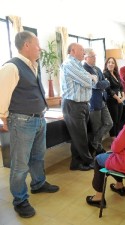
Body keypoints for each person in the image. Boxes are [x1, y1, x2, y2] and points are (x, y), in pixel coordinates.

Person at [0, 31, 59, 218]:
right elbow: (2, 96)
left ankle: (38, 183)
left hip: (38, 119)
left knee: (38, 156)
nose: (40, 48)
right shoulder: (11, 67)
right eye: (37, 44)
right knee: (20, 164)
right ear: (26, 45)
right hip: (22, 121)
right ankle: (19, 199)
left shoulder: (32, 64)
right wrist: (4, 119)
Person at [60, 43, 98, 171]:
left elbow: (92, 81)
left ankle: (76, 163)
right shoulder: (69, 64)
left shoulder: (78, 65)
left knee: (80, 135)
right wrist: (91, 77)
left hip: (82, 104)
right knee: (80, 136)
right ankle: (89, 161)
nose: (84, 52)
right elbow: (88, 81)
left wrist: (91, 78)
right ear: (72, 51)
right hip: (73, 104)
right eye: (81, 50)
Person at [83, 48, 113, 155]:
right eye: (92, 56)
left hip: (102, 100)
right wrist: (104, 83)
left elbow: (105, 82)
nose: (95, 58)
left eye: (95, 56)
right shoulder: (84, 69)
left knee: (109, 123)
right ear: (86, 57)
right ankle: (98, 149)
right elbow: (96, 85)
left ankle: (95, 142)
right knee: (96, 127)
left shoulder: (97, 68)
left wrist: (103, 83)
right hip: (93, 102)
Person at [103, 57, 125, 141]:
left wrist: (123, 97)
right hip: (112, 100)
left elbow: (121, 87)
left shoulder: (116, 74)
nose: (111, 64)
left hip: (119, 99)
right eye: (109, 62)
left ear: (115, 65)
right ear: (106, 64)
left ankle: (117, 138)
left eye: (112, 62)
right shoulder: (105, 74)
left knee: (119, 120)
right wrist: (117, 98)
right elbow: (108, 89)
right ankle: (113, 140)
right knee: (113, 120)